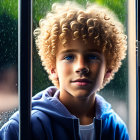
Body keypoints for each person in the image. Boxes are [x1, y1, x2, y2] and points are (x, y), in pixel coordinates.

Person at [0, 1, 129, 140]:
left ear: (108, 70)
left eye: (92, 56)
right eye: (69, 57)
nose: (81, 66)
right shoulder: (25, 126)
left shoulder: (116, 127)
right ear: (53, 68)